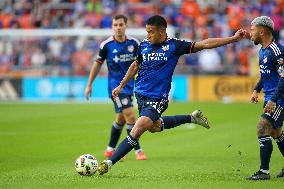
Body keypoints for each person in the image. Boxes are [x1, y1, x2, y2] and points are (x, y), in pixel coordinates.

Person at [97, 15, 249, 175]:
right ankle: (192, 118)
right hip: (141, 96)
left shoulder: (174, 45)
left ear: (162, 31)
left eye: (151, 32)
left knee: (138, 128)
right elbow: (135, 65)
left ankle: (109, 163)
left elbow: (204, 44)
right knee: (154, 127)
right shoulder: (144, 45)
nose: (148, 35)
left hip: (158, 98)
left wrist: (232, 39)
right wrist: (121, 85)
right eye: (147, 32)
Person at [84, 14, 147, 161]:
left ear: (126, 26)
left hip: (130, 86)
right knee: (130, 115)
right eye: (115, 25)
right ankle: (138, 150)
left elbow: (141, 64)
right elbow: (97, 64)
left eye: (121, 25)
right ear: (112, 27)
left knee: (121, 118)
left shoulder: (134, 43)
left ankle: (109, 150)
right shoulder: (106, 45)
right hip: (116, 89)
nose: (118, 27)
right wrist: (89, 85)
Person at [246, 16, 284, 180]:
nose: (250, 33)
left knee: (262, 127)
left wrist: (274, 100)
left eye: (252, 29)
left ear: (262, 31)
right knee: (275, 132)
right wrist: (256, 89)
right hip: (270, 97)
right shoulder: (263, 50)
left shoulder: (277, 51)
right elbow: (266, 75)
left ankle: (264, 171)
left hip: (279, 99)